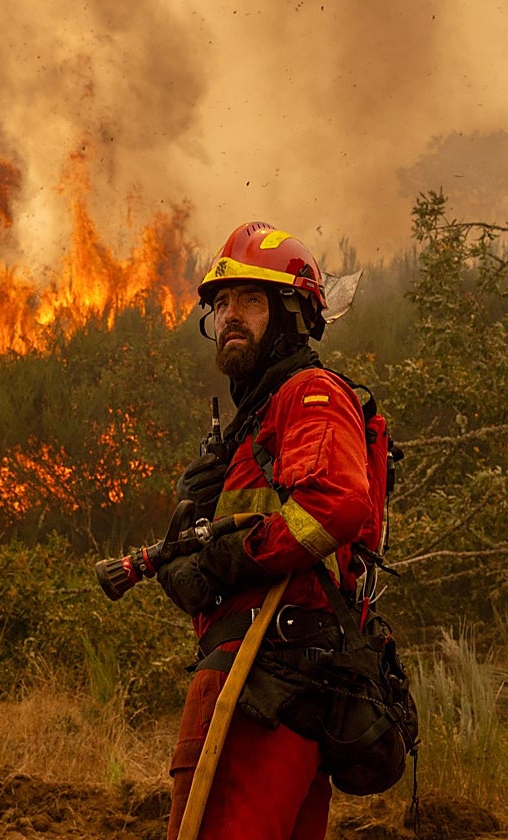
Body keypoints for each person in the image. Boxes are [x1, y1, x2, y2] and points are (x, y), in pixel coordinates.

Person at [157, 221, 373, 840]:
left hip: (269, 677)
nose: (230, 315)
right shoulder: (250, 426)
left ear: (292, 313)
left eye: (251, 300)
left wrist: (231, 559)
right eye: (221, 303)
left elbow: (334, 506)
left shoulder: (307, 393)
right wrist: (187, 551)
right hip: (257, 674)